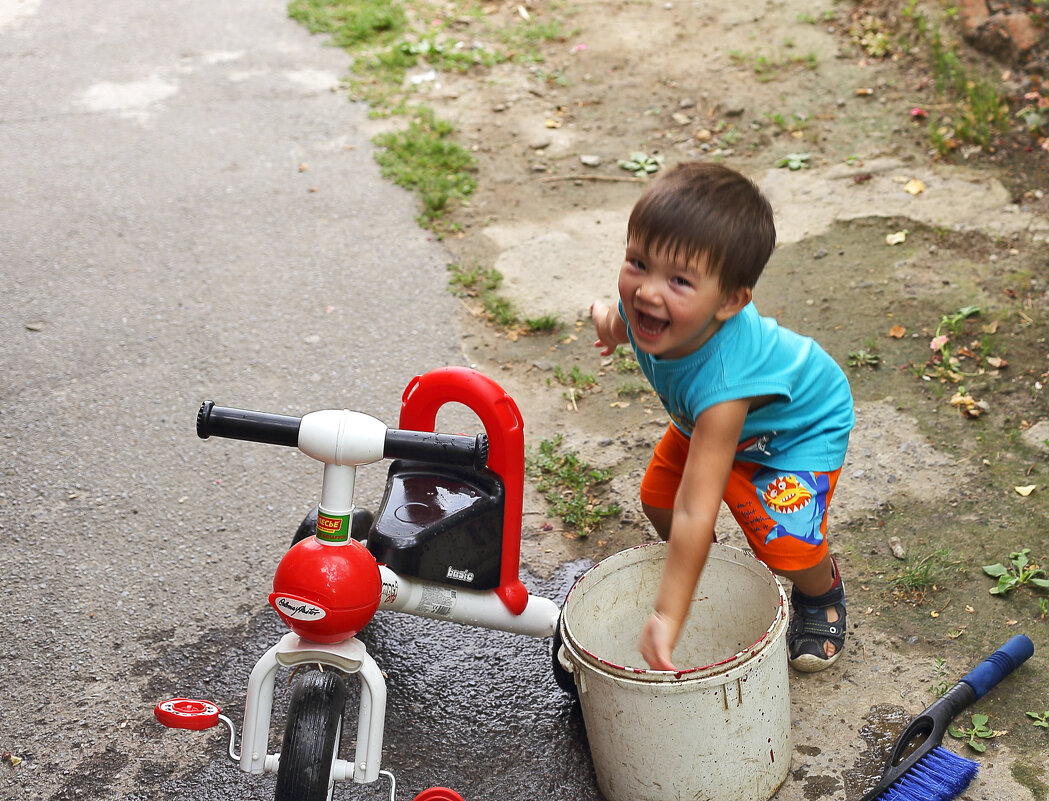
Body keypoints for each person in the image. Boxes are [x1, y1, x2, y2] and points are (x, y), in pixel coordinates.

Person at [590, 161, 854, 673]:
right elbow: (619, 319)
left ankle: (822, 592)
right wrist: (604, 323)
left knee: (787, 546)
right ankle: (705, 572)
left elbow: (698, 505)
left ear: (730, 301)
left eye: (680, 280)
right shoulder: (648, 308)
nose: (648, 291)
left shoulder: (725, 384)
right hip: (709, 425)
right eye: (638, 262)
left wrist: (667, 615)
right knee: (657, 501)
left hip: (796, 430)